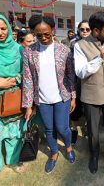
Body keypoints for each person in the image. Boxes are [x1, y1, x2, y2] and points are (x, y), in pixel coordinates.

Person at [22, 15, 76, 174]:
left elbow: (70, 75)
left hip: (62, 97)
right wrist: (28, 105)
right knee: (49, 129)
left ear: (53, 30)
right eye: (39, 35)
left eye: (47, 33)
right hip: (42, 99)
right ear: (34, 34)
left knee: (63, 127)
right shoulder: (28, 52)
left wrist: (73, 96)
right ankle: (53, 153)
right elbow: (27, 79)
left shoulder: (64, 50)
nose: (44, 37)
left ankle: (68, 146)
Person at [74, 11, 104, 174]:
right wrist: (98, 58)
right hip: (90, 96)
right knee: (93, 131)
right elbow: (80, 72)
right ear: (96, 31)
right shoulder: (79, 46)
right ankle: (94, 155)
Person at [0, 13, 25, 186]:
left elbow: (27, 74)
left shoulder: (18, 49)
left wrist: (14, 79)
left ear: (8, 28)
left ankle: (13, 160)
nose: (0, 32)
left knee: (14, 131)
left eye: (3, 28)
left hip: (13, 97)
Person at [70, 20, 91, 144]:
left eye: (87, 29)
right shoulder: (73, 44)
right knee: (75, 107)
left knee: (89, 107)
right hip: (76, 80)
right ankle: (73, 129)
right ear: (78, 30)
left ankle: (88, 128)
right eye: (82, 29)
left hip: (89, 81)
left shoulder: (94, 43)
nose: (84, 31)